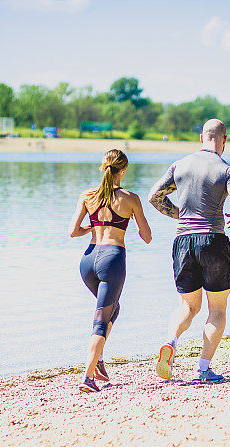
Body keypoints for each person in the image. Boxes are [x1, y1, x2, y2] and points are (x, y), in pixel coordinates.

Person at [148, 119, 230, 383]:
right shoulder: (226, 170)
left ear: (201, 138)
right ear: (224, 139)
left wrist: (179, 215)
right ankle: (204, 369)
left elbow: (154, 197)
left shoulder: (179, 165)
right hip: (213, 241)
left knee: (188, 305)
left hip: (183, 242)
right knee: (216, 309)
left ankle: (171, 342)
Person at [68, 149, 152, 392]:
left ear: (103, 167)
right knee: (101, 321)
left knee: (112, 309)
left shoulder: (87, 196)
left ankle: (98, 358)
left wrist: (94, 226)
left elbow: (72, 231)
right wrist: (130, 221)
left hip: (88, 260)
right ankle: (87, 377)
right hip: (112, 260)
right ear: (123, 170)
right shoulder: (130, 198)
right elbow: (147, 237)